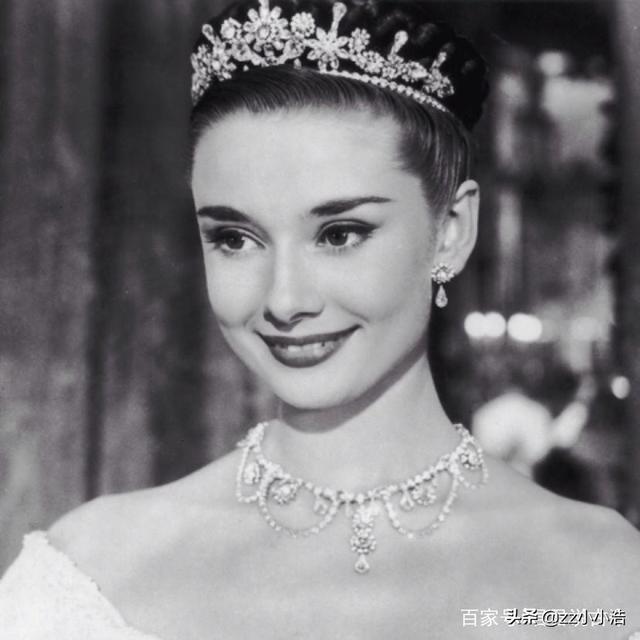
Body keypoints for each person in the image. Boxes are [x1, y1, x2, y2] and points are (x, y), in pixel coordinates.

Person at [1, 1, 639, 638]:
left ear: (450, 231)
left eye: (339, 234)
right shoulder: (93, 571)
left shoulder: (600, 582)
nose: (284, 301)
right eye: (234, 239)